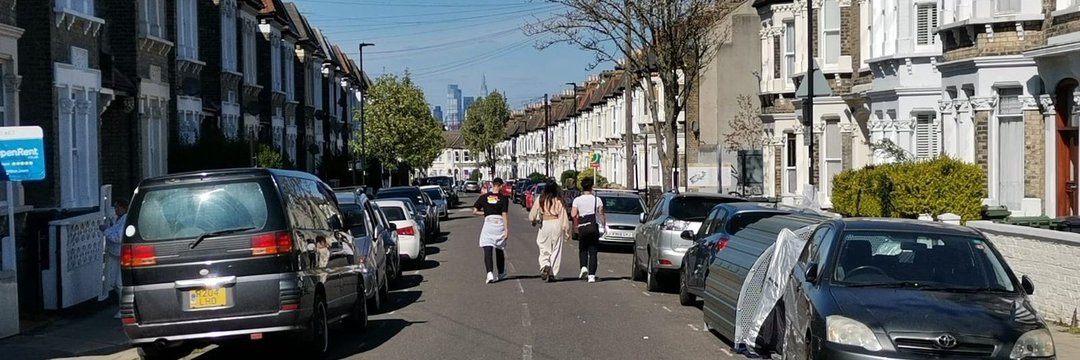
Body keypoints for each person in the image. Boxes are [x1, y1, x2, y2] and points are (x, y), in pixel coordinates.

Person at [528, 179, 570, 282]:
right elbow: (563, 216)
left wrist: (533, 220)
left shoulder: (540, 199)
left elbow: (532, 215)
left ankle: (545, 265)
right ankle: (552, 272)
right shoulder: (559, 200)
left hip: (545, 224)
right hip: (556, 223)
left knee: (543, 246)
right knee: (556, 249)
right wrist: (566, 230)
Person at [473, 177, 510, 283]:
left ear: (493, 185)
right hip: (499, 224)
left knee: (487, 248)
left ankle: (489, 273)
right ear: (501, 186)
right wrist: (506, 229)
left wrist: (485, 213)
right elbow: (504, 214)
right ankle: (501, 272)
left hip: (489, 223)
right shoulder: (504, 198)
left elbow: (474, 211)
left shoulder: (484, 197)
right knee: (499, 248)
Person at [571, 178, 605, 283]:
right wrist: (603, 225)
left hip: (582, 227)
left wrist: (577, 221)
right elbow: (601, 214)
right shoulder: (597, 199)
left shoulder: (577, 200)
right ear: (591, 187)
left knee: (583, 249)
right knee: (593, 252)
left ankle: (583, 267)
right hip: (593, 227)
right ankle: (591, 276)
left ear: (582, 187)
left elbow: (573, 214)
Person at [99, 198, 128, 318]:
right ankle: (124, 307)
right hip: (115, 254)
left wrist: (106, 231)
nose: (115, 209)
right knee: (113, 283)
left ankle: (124, 310)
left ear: (123, 207)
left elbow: (118, 237)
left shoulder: (125, 219)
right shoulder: (119, 219)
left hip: (122, 255)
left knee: (119, 283)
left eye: (117, 207)